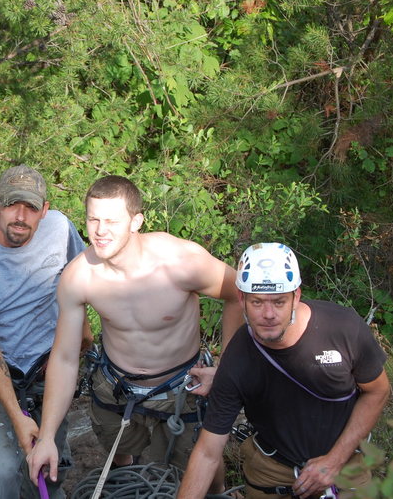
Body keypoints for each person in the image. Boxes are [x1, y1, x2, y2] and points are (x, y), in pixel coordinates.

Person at [27, 175, 243, 489]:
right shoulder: (80, 276)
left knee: (202, 472)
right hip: (115, 387)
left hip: (179, 387)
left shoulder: (180, 262)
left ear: (136, 221)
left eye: (112, 221)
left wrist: (226, 367)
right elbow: (64, 358)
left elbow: (238, 294)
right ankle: (125, 482)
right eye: (93, 219)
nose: (100, 231)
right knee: (121, 458)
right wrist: (47, 436)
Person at [176, 242, 390, 499]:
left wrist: (334, 460)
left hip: (345, 463)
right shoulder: (238, 359)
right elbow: (208, 452)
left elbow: (377, 392)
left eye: (278, 302)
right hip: (272, 469)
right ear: (242, 299)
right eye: (257, 302)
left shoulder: (342, 329)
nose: (268, 314)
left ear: (296, 297)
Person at [0, 164, 91, 498]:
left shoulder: (59, 229)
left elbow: (80, 279)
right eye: (12, 205)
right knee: (2, 472)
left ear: (45, 210)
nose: (20, 216)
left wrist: (84, 335)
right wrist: (17, 417)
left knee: (50, 471)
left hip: (47, 366)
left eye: (30, 208)